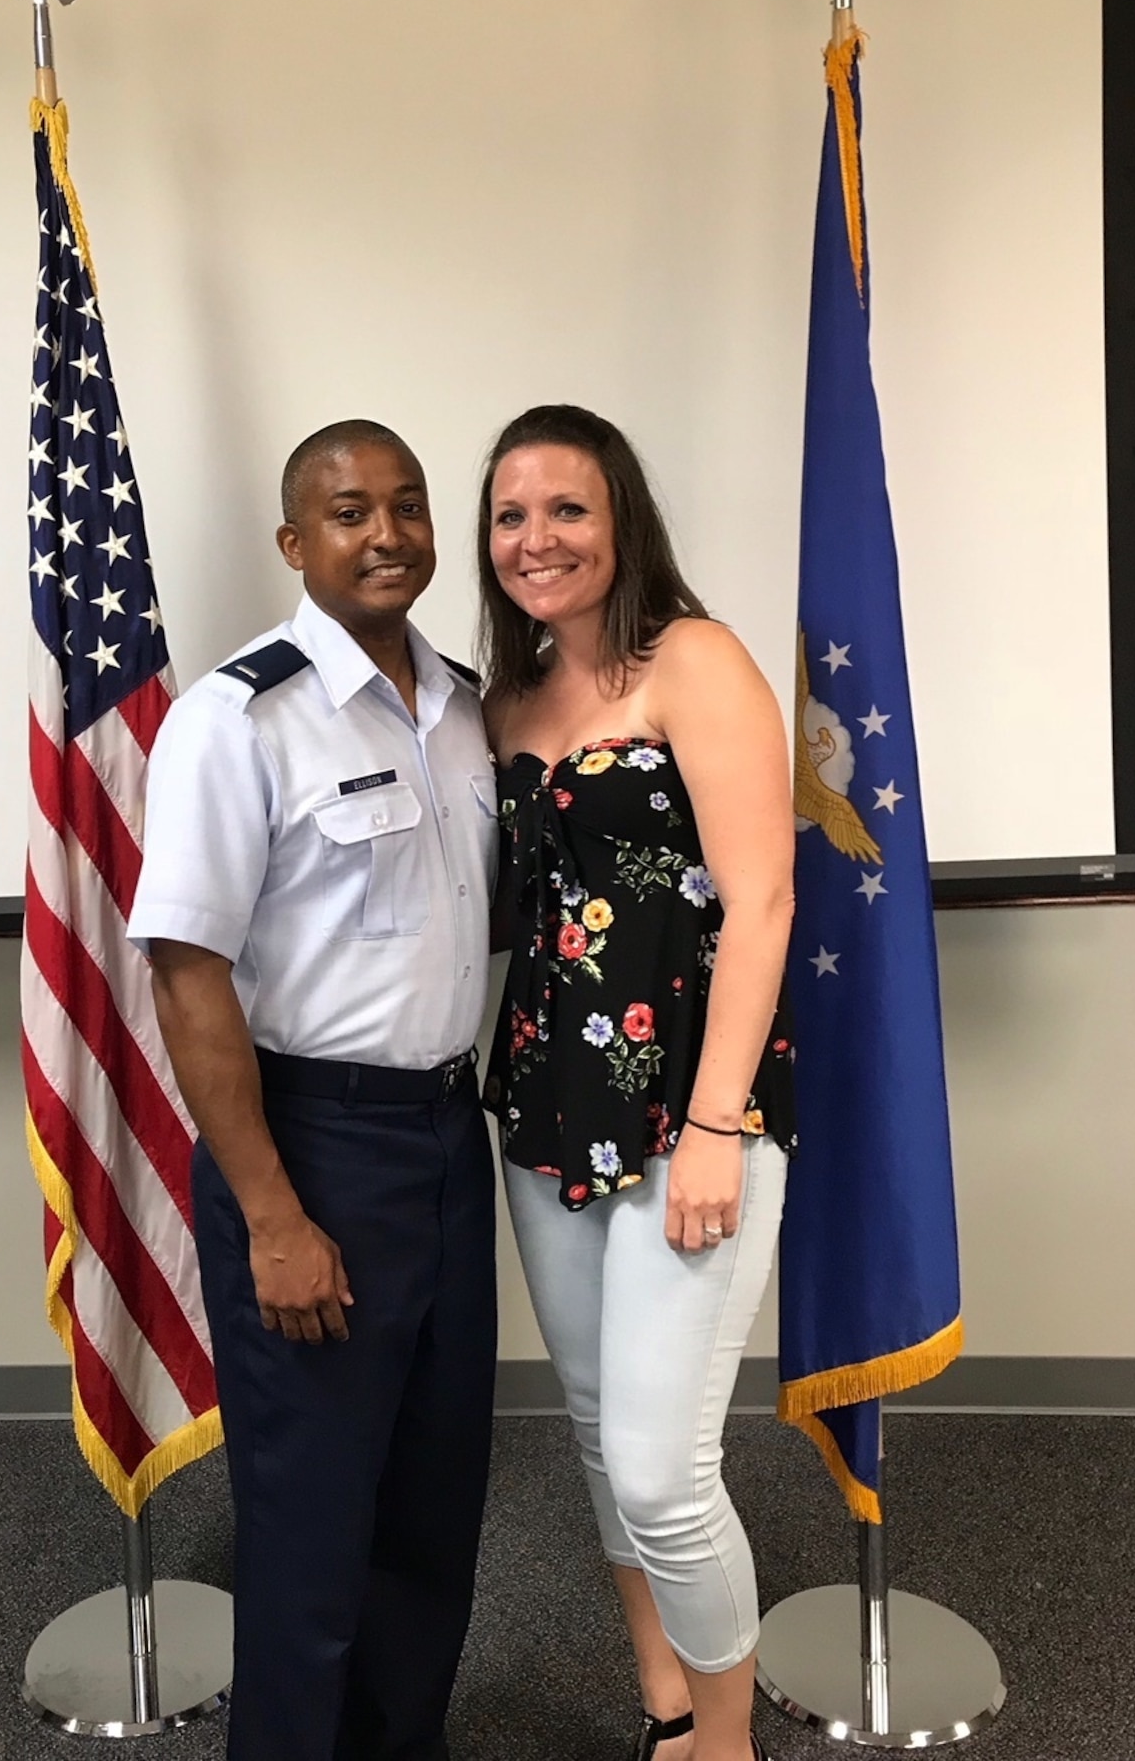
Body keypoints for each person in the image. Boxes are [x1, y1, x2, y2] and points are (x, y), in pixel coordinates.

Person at [127, 420, 499, 1761]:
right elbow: (187, 975)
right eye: (348, 512)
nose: (385, 532)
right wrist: (273, 1216)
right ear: (295, 543)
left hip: (448, 1143)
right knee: (310, 1530)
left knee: (429, 1513)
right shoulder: (239, 718)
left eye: (406, 506)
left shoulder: (461, 707)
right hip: (312, 1147)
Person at [478, 404, 797, 1761]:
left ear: (620, 522)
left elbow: (765, 899)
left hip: (690, 1107)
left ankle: (722, 1740)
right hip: (544, 1106)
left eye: (565, 509)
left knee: (669, 1474)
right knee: (607, 1440)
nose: (534, 538)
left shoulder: (695, 660)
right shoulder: (500, 700)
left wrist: (718, 1125)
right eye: (508, 515)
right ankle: (663, 1697)